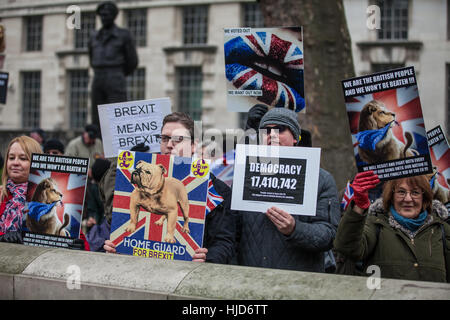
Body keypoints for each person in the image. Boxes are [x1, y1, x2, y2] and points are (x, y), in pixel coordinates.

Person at [206, 108, 340, 272]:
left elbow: (329, 236)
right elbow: (230, 231)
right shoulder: (244, 176)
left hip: (299, 285)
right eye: (266, 131)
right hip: (250, 282)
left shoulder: (321, 179)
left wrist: (294, 229)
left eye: (280, 129)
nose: (272, 135)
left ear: (295, 137)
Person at [101, 112, 236, 264]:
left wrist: (207, 259)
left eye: (178, 140)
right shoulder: (139, 181)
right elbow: (116, 222)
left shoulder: (218, 191)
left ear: (193, 145)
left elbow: (225, 242)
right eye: (165, 138)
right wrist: (113, 246)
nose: (169, 144)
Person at [334, 171, 450, 282]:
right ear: (391, 196)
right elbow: (348, 247)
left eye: (415, 192)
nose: (408, 199)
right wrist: (359, 206)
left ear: (424, 197)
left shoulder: (441, 229)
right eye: (401, 192)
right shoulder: (376, 224)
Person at [88, 1, 138, 128]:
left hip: (115, 76)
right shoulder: (94, 36)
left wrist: (118, 73)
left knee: (117, 115)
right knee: (97, 115)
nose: (104, 18)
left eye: (107, 15)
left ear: (114, 16)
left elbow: (132, 61)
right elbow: (91, 57)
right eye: (102, 15)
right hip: (98, 76)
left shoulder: (123, 35)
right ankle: (98, 144)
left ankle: (118, 146)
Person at [0, 136, 42, 243]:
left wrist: (77, 244)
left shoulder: (46, 196)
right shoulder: (1, 194)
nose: (15, 163)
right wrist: (2, 237)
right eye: (11, 158)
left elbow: (72, 234)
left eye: (23, 158)